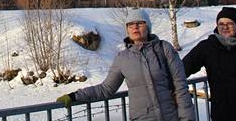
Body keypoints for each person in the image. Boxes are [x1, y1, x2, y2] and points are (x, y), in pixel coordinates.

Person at [57, 9, 195, 121]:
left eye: (140, 23)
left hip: (170, 116)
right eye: (130, 24)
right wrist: (75, 96)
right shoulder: (122, 58)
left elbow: (180, 85)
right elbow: (106, 89)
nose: (135, 26)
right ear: (127, 30)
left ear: (148, 27)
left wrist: (186, 118)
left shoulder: (164, 48)